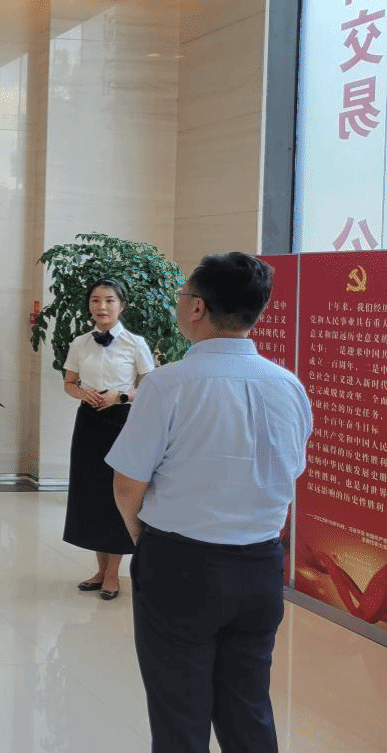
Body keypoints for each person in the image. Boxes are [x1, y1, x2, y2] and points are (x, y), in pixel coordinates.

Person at [107, 253, 313, 753]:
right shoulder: (289, 386)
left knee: (180, 716)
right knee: (249, 710)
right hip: (261, 567)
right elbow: (290, 472)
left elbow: (128, 484)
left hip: (179, 565)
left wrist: (146, 539)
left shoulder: (167, 385)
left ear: (197, 307)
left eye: (182, 297)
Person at [61, 278, 154, 600]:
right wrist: (82, 393)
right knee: (91, 494)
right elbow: (69, 383)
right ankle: (100, 570)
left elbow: (150, 386)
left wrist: (121, 396)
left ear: (121, 306)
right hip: (88, 421)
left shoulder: (135, 343)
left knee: (116, 495)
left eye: (109, 300)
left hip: (121, 421)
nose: (102, 306)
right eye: (96, 300)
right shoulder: (79, 343)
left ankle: (113, 574)